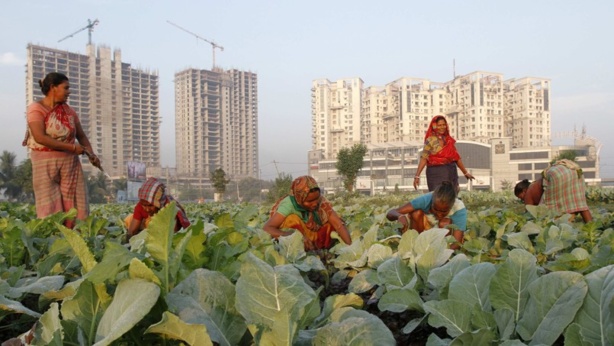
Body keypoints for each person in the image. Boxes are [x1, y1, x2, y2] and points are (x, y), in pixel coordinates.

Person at [24, 72, 100, 228]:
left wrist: (91, 154)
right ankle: (52, 241)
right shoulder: (36, 109)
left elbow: (82, 136)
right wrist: (72, 147)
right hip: (44, 164)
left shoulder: (69, 112)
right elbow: (40, 137)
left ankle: (76, 239)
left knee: (75, 204)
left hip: (70, 164)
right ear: (53, 87)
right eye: (66, 88)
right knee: (49, 205)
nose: (69, 92)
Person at [263, 176, 352, 251]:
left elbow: (338, 225)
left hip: (312, 238)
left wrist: (350, 248)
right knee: (291, 219)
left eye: (316, 198)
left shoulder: (321, 202)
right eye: (309, 201)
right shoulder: (289, 205)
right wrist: (292, 236)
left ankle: (320, 249)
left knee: (332, 224)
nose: (315, 203)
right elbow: (267, 228)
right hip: (294, 244)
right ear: (299, 198)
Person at [387, 181, 466, 249]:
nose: (439, 214)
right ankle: (416, 244)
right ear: (432, 201)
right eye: (435, 209)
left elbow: (457, 242)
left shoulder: (459, 208)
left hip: (441, 236)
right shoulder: (426, 199)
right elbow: (390, 213)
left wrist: (444, 255)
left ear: (451, 206)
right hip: (423, 229)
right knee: (416, 213)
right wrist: (400, 216)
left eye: (444, 211)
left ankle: (440, 247)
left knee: (445, 223)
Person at [514, 159, 592, 223]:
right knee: (580, 204)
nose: (523, 200)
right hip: (573, 171)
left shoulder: (528, 192)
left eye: (521, 197)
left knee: (550, 213)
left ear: (524, 191)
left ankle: (566, 225)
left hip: (556, 175)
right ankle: (590, 225)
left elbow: (528, 214)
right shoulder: (536, 184)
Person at [413, 115, 474, 191]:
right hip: (435, 173)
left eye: (444, 125)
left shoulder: (449, 140)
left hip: (450, 172)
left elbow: (456, 158)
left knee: (451, 197)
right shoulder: (430, 140)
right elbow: (424, 158)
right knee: (437, 197)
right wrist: (417, 176)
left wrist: (465, 173)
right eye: (439, 125)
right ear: (435, 126)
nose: (442, 127)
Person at [125, 177, 191, 240]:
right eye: (144, 205)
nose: (147, 209)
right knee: (130, 219)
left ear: (159, 202)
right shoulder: (140, 206)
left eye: (150, 206)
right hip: (152, 232)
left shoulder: (168, 208)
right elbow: (131, 232)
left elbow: (172, 236)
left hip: (163, 234)